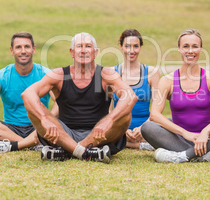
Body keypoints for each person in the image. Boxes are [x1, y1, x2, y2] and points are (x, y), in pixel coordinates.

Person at [21, 32, 137, 164]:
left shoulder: (106, 74)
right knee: (34, 108)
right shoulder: (59, 75)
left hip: (100, 135)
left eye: (88, 46)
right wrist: (44, 119)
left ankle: (69, 151)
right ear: (72, 52)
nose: (83, 50)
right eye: (79, 46)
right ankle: (85, 153)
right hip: (63, 134)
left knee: (125, 116)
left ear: (95, 52)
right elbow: (28, 94)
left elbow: (130, 96)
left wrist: (109, 120)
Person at [141, 29, 210, 163]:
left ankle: (183, 156)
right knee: (147, 128)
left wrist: (205, 132)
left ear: (201, 49)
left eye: (195, 46)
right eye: (186, 46)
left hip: (209, 139)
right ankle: (202, 155)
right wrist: (185, 133)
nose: (190, 51)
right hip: (180, 139)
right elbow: (154, 115)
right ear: (179, 49)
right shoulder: (167, 80)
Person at [0, 32, 52, 153]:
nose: (23, 51)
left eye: (27, 47)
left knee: (58, 119)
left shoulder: (46, 74)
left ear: (33, 49)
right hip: (11, 129)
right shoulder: (1, 76)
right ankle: (31, 144)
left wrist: (49, 120)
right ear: (12, 51)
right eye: (18, 47)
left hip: (39, 127)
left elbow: (60, 102)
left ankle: (14, 145)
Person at [113, 29, 160, 150]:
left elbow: (157, 108)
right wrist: (123, 130)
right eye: (127, 46)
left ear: (140, 47)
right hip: (118, 128)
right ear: (121, 47)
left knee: (165, 129)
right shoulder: (111, 73)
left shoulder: (152, 73)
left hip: (145, 130)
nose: (131, 50)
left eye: (136, 46)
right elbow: (107, 111)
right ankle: (140, 145)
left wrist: (142, 128)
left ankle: (127, 144)